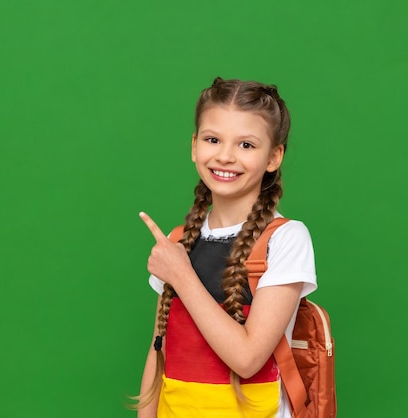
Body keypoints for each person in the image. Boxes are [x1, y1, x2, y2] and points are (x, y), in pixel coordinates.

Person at [132, 77, 317, 418]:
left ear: (274, 157)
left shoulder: (286, 238)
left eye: (246, 145)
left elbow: (247, 360)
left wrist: (182, 276)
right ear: (193, 146)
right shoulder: (178, 241)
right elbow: (158, 350)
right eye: (213, 139)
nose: (225, 156)